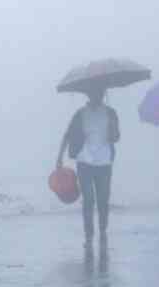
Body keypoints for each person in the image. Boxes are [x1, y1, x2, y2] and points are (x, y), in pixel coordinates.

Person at [56, 87, 119, 248]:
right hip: (84, 162)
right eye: (93, 93)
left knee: (103, 199)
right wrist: (59, 158)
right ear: (89, 95)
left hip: (104, 163)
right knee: (88, 200)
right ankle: (89, 234)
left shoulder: (111, 113)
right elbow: (67, 135)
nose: (96, 95)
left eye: (99, 93)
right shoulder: (81, 114)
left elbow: (116, 137)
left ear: (103, 94)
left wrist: (113, 127)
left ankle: (103, 231)